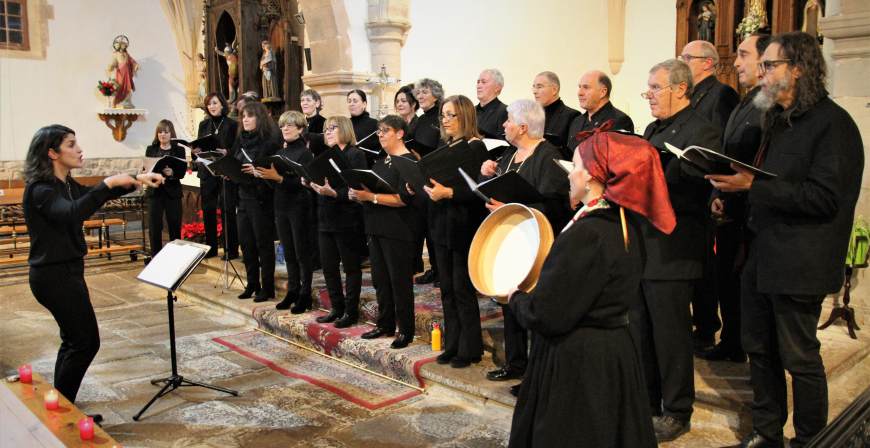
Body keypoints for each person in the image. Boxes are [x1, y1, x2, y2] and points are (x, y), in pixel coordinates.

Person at [709, 31, 864, 448]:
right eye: (761, 65)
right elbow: (769, 185)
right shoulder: (776, 120)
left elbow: (825, 198)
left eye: (769, 65)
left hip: (801, 262)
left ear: (798, 69)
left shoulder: (833, 125)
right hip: (761, 255)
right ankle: (767, 432)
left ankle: (811, 440)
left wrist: (752, 187)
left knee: (800, 357)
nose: (761, 72)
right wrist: (734, 200)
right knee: (759, 349)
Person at [506, 124, 675, 448]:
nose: (570, 175)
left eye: (575, 167)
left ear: (593, 177)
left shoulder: (589, 232)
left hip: (579, 359)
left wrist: (518, 299)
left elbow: (548, 314)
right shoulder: (625, 223)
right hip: (614, 352)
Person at [23, 125, 163, 404]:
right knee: (85, 343)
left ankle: (61, 407)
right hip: (53, 277)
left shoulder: (65, 184)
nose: (79, 150)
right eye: (71, 144)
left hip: (67, 272)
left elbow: (89, 196)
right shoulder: (40, 190)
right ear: (52, 153)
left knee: (73, 342)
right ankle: (62, 410)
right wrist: (108, 183)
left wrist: (135, 179)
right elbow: (73, 212)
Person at [633, 58, 721, 443]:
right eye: (649, 89)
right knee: (641, 331)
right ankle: (648, 401)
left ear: (681, 89)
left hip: (674, 248)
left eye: (656, 88)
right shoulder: (652, 129)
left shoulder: (703, 132)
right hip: (643, 244)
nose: (649, 95)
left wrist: (660, 178)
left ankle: (677, 410)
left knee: (671, 336)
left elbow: (700, 190)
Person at [479, 99, 570, 394]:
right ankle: (516, 362)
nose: (504, 125)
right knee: (510, 298)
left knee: (535, 305)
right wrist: (486, 175)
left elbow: (556, 206)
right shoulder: (509, 154)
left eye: (507, 120)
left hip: (538, 241)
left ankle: (537, 373)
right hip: (511, 236)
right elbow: (500, 190)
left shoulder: (548, 156)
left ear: (522, 127)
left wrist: (513, 207)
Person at [696, 33, 771, 364]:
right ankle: (731, 341)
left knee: (738, 282)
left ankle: (738, 343)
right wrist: (717, 192)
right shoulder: (746, 100)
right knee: (725, 278)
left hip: (749, 207)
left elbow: (756, 161)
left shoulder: (765, 105)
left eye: (743, 54)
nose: (736, 62)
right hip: (729, 200)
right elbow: (728, 155)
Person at [410, 94, 489, 368]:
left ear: (464, 116)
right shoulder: (446, 146)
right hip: (441, 224)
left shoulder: (476, 147)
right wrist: (419, 184)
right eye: (443, 115)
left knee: (461, 289)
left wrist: (450, 192)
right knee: (446, 289)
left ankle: (470, 348)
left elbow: (479, 192)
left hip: (464, 225)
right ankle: (453, 344)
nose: (444, 120)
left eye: (450, 115)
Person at [679, 39, 740, 353]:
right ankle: (701, 325)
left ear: (708, 63)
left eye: (687, 57)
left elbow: (722, 149)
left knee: (707, 267)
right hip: (693, 190)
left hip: (708, 190)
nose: (682, 61)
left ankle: (708, 329)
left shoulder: (721, 94)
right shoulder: (692, 94)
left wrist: (718, 190)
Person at [349, 115, 418, 349]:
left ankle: (406, 330)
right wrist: (359, 196)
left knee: (399, 282)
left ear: (400, 133)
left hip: (398, 229)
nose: (380, 135)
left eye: (385, 130)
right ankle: (385, 323)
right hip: (376, 226)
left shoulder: (408, 161)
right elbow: (373, 193)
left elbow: (403, 199)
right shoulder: (381, 161)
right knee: (380, 280)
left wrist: (372, 197)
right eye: (378, 131)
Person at [310, 116, 368, 327]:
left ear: (343, 129)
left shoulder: (355, 155)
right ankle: (336, 308)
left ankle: (350, 312)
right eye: (325, 129)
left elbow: (357, 189)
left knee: (351, 268)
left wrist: (334, 193)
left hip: (347, 219)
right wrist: (310, 182)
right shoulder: (325, 156)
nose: (327, 132)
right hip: (325, 218)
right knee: (329, 267)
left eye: (331, 128)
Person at [256, 111, 314, 312]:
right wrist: (265, 175)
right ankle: (293, 291)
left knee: (301, 252)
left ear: (300, 128)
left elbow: (303, 183)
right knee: (288, 252)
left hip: (299, 205)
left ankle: (305, 294)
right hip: (280, 204)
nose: (285, 129)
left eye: (290, 125)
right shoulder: (280, 152)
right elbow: (276, 183)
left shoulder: (304, 153)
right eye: (282, 126)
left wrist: (279, 178)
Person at [235, 101, 280, 303]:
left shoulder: (269, 143)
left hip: (261, 199)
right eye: (243, 116)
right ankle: (252, 283)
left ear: (259, 118)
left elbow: (275, 174)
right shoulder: (240, 141)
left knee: (263, 245)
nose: (245, 120)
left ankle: (267, 287)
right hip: (242, 198)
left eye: (250, 116)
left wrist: (258, 172)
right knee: (246, 244)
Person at [192, 91, 240, 259]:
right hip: (207, 171)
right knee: (208, 210)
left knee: (228, 210)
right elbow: (197, 148)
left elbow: (237, 149)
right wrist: (195, 151)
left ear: (222, 104)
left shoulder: (232, 124)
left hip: (225, 173)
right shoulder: (203, 125)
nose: (211, 106)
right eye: (209, 104)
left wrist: (227, 151)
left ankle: (231, 249)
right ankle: (211, 248)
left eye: (215, 103)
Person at [412, 78, 446, 286]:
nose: (420, 96)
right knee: (426, 228)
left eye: (425, 92)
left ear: (436, 95)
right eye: (418, 93)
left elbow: (442, 146)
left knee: (435, 230)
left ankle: (442, 271)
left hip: (437, 177)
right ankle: (434, 268)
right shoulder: (420, 119)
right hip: (422, 176)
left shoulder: (441, 117)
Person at [395, 85, 426, 274]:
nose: (400, 104)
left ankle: (416, 262)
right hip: (401, 170)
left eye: (404, 101)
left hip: (417, 170)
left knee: (416, 222)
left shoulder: (419, 123)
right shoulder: (396, 124)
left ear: (414, 104)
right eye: (397, 101)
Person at [144, 120, 185, 256]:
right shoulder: (151, 149)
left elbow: (181, 173)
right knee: (154, 226)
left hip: (172, 192)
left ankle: (175, 255)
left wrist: (172, 173)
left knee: (174, 225)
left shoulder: (178, 150)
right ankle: (155, 255)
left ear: (171, 133)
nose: (163, 135)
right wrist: (145, 173)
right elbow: (146, 167)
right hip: (155, 191)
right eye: (160, 132)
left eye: (166, 132)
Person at [567, 70, 634, 151]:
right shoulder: (577, 121)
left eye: (586, 87)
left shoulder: (619, 120)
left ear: (602, 92)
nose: (580, 93)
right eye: (579, 87)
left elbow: (617, 155)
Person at [681, 40, 739, 132]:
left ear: (707, 63)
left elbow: (721, 135)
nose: (681, 64)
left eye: (687, 58)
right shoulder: (687, 93)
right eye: (681, 58)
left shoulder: (723, 93)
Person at [533, 71, 581, 158]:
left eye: (539, 87)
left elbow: (570, 152)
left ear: (554, 90)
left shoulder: (572, 116)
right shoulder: (532, 115)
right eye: (534, 87)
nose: (535, 91)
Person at [348, 89, 381, 166]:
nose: (351, 104)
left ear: (364, 104)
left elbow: (378, 149)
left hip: (367, 164)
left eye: (355, 101)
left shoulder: (374, 124)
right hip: (348, 163)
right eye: (349, 101)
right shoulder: (346, 124)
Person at [475, 69, 509, 139]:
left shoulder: (504, 111)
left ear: (497, 87)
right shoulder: (470, 111)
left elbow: (502, 141)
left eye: (484, 82)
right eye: (478, 82)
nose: (478, 86)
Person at [107, 37, 140, 107]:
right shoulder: (116, 54)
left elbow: (131, 61)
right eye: (123, 45)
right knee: (120, 86)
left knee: (128, 85)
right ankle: (120, 100)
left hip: (127, 73)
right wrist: (111, 67)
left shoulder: (126, 54)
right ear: (120, 46)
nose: (125, 46)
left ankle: (127, 100)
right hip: (121, 73)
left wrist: (136, 65)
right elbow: (113, 62)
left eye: (125, 45)